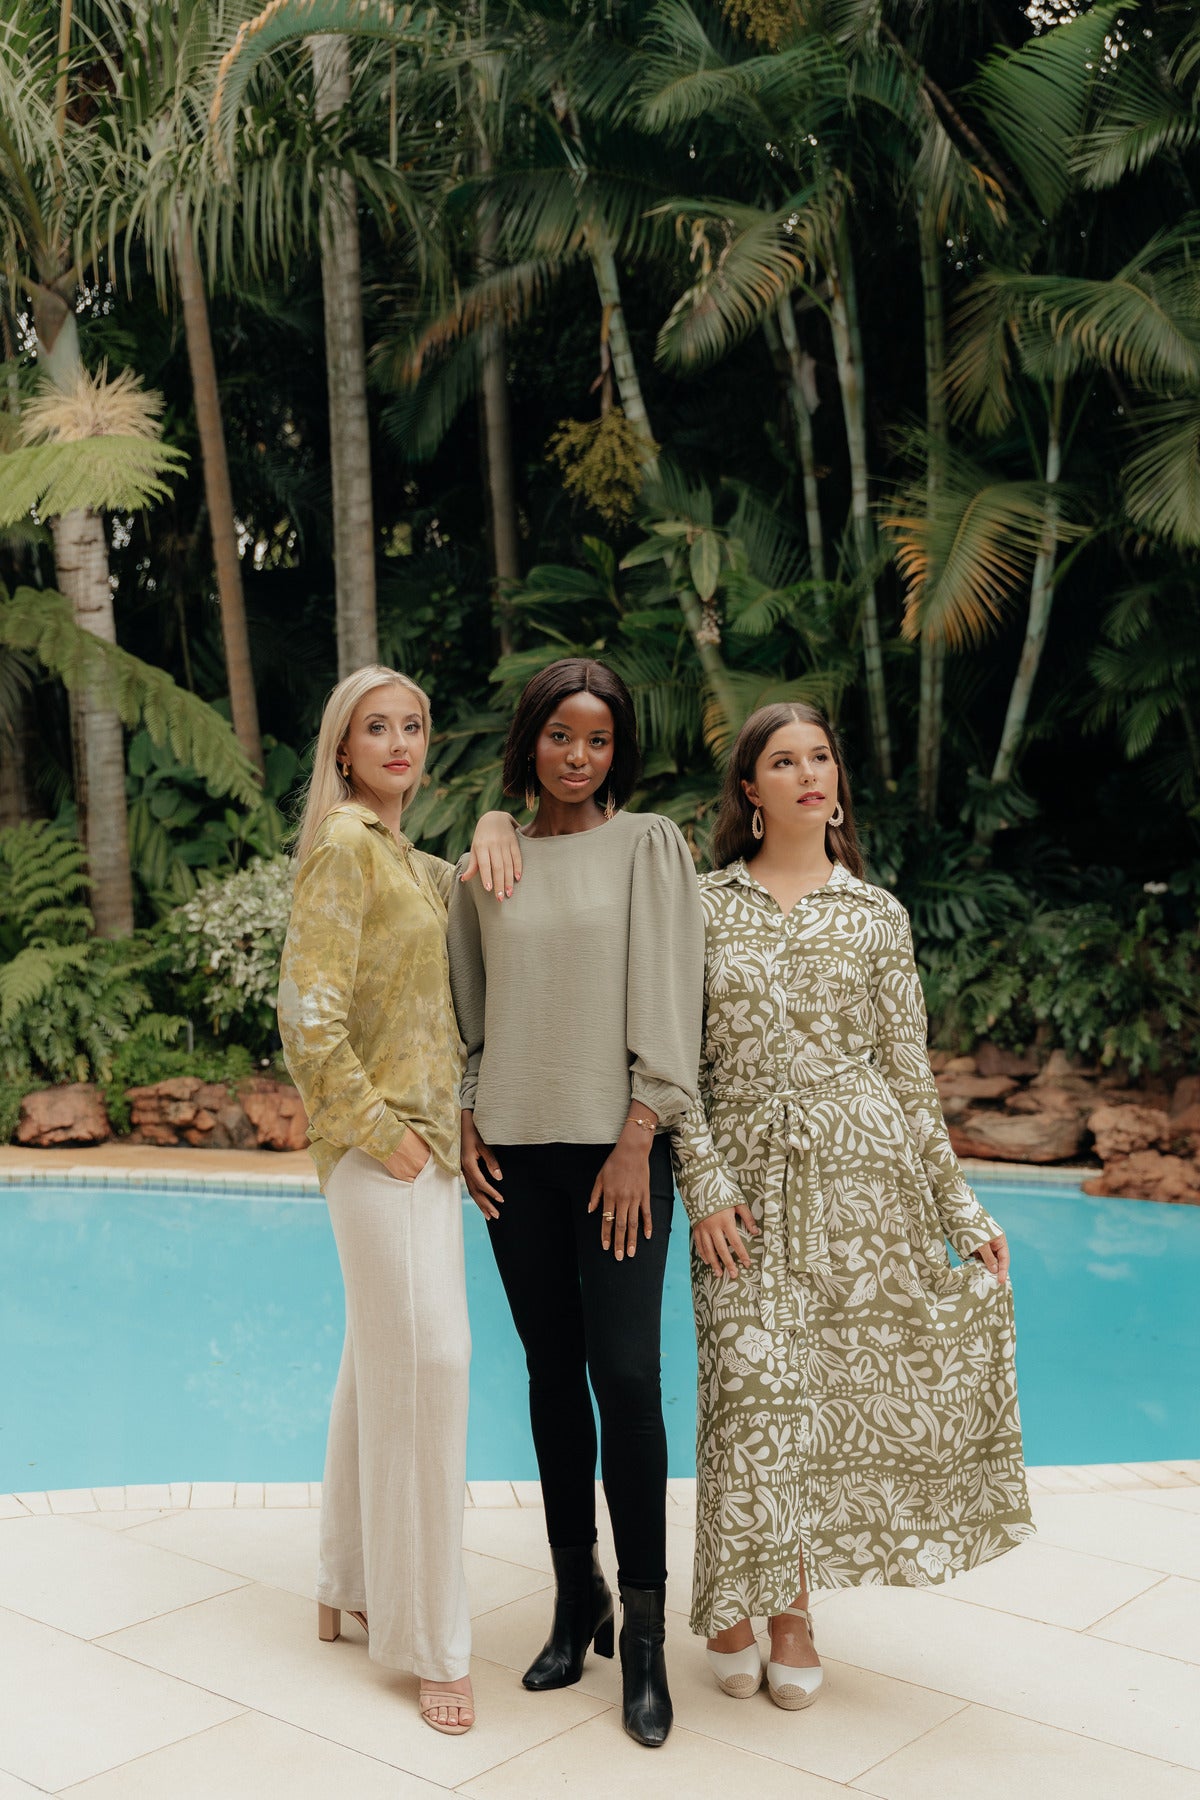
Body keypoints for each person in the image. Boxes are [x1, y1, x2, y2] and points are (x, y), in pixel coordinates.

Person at [673, 703, 1033, 1710]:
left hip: (864, 1189)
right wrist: (703, 1184)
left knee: (819, 1402)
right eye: (783, 761)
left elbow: (908, 1076)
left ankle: (790, 1613)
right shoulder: (701, 906)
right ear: (750, 789)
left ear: (835, 781)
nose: (807, 774)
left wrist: (961, 1211)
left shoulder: (877, 915)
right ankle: (730, 1603)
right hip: (743, 1188)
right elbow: (671, 1062)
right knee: (746, 1392)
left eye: (820, 757)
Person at [447, 657, 704, 1749]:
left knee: (628, 1379)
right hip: (515, 1153)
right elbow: (470, 1011)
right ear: (531, 740)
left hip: (618, 1152)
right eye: (561, 735)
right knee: (552, 1376)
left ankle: (644, 1639)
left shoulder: (649, 845)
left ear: (618, 751)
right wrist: (467, 1114)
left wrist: (641, 1133)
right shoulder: (487, 862)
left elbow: (673, 999)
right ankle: (575, 1597)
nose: (579, 756)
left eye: (598, 739)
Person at [278, 664, 519, 1736]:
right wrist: (389, 1137)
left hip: (423, 1152)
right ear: (344, 748)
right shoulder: (343, 845)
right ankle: (432, 1643)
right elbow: (306, 1016)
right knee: (434, 1366)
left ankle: (344, 1579)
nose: (399, 741)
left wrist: (499, 818)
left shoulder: (411, 864)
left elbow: (462, 938)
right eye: (377, 726)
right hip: (382, 1153)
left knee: (377, 1358)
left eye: (413, 725)